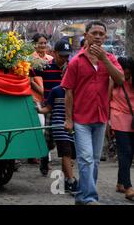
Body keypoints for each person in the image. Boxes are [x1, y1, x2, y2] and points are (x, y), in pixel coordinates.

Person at [62, 21, 124, 205]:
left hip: (101, 116)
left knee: (95, 160)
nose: (97, 36)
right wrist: (68, 119)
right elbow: (69, 92)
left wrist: (104, 59)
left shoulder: (111, 59)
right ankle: (89, 198)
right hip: (81, 118)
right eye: (94, 33)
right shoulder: (76, 62)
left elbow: (120, 79)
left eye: (101, 34)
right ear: (86, 35)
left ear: (105, 37)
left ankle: (82, 196)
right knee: (86, 158)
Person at [32, 39, 71, 175]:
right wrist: (38, 92)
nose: (65, 59)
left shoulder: (72, 67)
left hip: (67, 108)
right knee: (49, 139)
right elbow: (28, 76)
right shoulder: (45, 67)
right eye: (62, 55)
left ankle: (66, 169)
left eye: (67, 55)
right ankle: (44, 157)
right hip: (49, 107)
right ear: (54, 53)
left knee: (66, 139)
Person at [37, 64, 78, 194]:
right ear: (63, 75)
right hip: (59, 126)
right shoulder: (56, 90)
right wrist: (38, 109)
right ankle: (71, 180)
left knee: (69, 154)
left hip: (73, 127)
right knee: (66, 153)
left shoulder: (77, 90)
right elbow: (48, 108)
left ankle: (65, 179)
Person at [108, 56, 134, 201]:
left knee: (130, 153)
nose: (125, 75)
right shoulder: (114, 80)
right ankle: (128, 187)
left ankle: (120, 183)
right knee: (125, 151)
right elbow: (107, 98)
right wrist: (106, 121)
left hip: (132, 120)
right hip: (118, 118)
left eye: (128, 72)